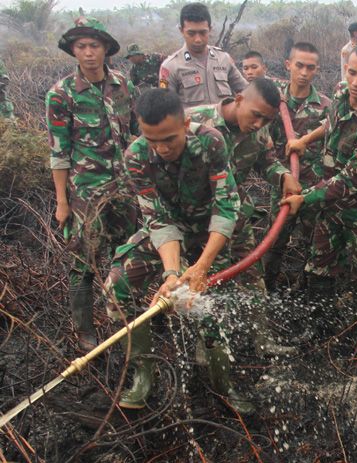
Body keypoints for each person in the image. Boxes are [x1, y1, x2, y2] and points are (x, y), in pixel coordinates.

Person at [104, 89, 253, 414]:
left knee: (210, 310)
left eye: (169, 138)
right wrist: (172, 272)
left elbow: (226, 208)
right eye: (152, 139)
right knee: (118, 285)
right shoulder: (136, 156)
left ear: (185, 123)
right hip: (166, 232)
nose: (162, 148)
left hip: (208, 233)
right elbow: (158, 218)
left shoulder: (211, 142)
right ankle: (144, 371)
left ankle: (222, 382)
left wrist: (200, 268)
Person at [281, 43, 357, 337]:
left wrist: (304, 199)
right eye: (351, 72)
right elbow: (331, 121)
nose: (355, 82)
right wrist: (306, 139)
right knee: (319, 265)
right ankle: (319, 329)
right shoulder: (342, 92)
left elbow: (348, 181)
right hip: (330, 203)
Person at [186, 78, 300, 354]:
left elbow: (267, 162)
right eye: (256, 115)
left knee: (252, 276)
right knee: (204, 284)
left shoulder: (259, 132)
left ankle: (261, 340)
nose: (259, 124)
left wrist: (283, 175)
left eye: (267, 120)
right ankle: (208, 349)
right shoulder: (194, 122)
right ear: (238, 99)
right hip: (197, 224)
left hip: (235, 218)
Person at [47, 17, 138, 351]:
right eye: (81, 46)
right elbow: (59, 153)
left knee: (126, 253)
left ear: (106, 49)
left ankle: (123, 316)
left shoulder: (122, 85)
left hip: (124, 187)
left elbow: (132, 135)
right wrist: (62, 201)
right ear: (73, 50)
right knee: (84, 261)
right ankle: (84, 330)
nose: (88, 53)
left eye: (94, 46)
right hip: (86, 192)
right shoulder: (61, 95)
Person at [264, 42, 332, 293]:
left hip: (312, 189)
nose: (304, 72)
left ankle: (302, 289)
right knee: (274, 242)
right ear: (288, 65)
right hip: (282, 186)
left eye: (310, 67)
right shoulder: (273, 99)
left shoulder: (325, 107)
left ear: (317, 70)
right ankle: (267, 289)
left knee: (313, 243)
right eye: (299, 65)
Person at [159, 2, 247, 109]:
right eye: (191, 33)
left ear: (210, 29)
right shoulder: (170, 66)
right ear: (181, 30)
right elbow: (166, 110)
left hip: (226, 125)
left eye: (203, 33)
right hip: (191, 125)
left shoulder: (224, 59)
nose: (198, 39)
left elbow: (246, 91)